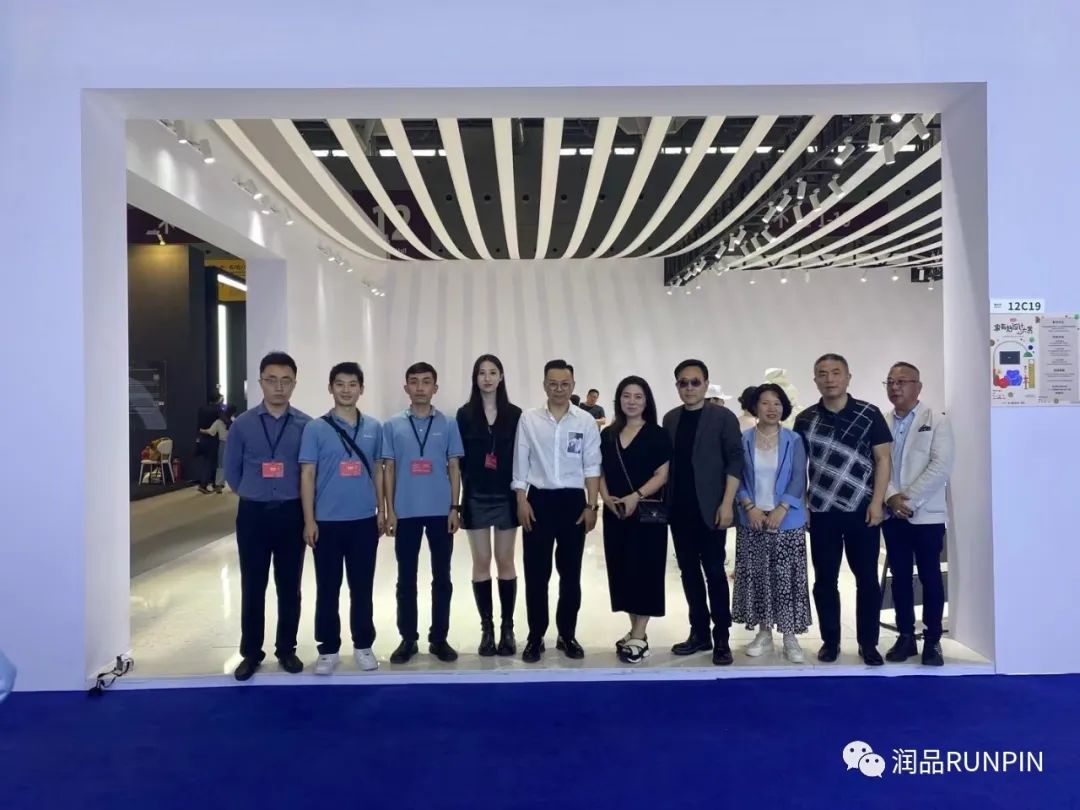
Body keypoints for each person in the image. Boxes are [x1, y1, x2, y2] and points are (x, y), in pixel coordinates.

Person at [794, 353, 892, 666]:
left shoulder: (869, 413)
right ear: (815, 380)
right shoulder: (805, 419)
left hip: (862, 511)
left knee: (867, 580)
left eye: (836, 372)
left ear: (848, 377)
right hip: (822, 512)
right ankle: (830, 641)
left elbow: (883, 459)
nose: (830, 379)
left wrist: (877, 502)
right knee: (825, 581)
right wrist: (803, 504)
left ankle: (868, 643)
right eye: (822, 373)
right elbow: (799, 466)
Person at [224, 351, 311, 681]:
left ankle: (286, 649)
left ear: (294, 384)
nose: (279, 387)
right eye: (272, 380)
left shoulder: (306, 425)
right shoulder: (243, 425)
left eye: (286, 381)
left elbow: (309, 472)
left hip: (291, 513)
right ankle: (251, 652)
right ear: (260, 382)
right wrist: (254, 490)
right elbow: (232, 471)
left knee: (289, 586)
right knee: (253, 585)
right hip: (254, 514)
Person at [512, 359, 602, 663]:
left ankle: (567, 634)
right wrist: (521, 500)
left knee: (571, 574)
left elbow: (592, 465)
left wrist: (592, 505)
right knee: (536, 575)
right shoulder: (529, 419)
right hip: (538, 502)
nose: (559, 389)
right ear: (544, 385)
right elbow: (520, 462)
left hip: (573, 503)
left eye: (565, 384)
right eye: (553, 383)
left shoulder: (585, 421)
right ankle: (535, 636)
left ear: (573, 386)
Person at [299, 362, 384, 675]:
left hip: (363, 521)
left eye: (352, 384)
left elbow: (379, 470)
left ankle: (363, 645)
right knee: (328, 588)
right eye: (340, 384)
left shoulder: (374, 427)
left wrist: (381, 510)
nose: (346, 390)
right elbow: (307, 474)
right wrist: (309, 520)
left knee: (362, 587)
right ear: (330, 388)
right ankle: (328, 649)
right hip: (327, 523)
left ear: (361, 389)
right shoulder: (316, 428)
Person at [381, 362, 464, 664]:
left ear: (435, 388)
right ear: (406, 388)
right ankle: (408, 638)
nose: (420, 387)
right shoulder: (392, 425)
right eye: (414, 382)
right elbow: (389, 469)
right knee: (406, 578)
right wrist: (390, 511)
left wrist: (454, 507)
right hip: (405, 512)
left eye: (426, 382)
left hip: (441, 511)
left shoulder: (448, 424)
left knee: (442, 577)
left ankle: (439, 638)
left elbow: (454, 466)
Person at [662, 359, 743, 666]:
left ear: (706, 384)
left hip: (711, 509)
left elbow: (735, 461)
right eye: (683, 383)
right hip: (679, 509)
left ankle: (722, 637)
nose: (689, 388)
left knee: (714, 572)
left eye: (695, 382)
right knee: (688, 572)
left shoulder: (723, 418)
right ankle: (699, 632)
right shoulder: (671, 419)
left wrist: (727, 503)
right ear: (677, 386)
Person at [881, 362, 954, 667]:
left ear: (918, 387)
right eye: (890, 382)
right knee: (899, 578)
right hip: (892, 514)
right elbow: (877, 464)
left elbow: (941, 466)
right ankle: (905, 637)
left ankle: (933, 640)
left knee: (930, 577)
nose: (895, 387)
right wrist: (890, 497)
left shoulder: (936, 420)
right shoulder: (881, 422)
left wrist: (907, 499)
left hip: (926, 516)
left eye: (902, 381)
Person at [732, 384, 812, 663]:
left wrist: (782, 508)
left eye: (777, 403)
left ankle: (790, 637)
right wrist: (749, 507)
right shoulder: (743, 439)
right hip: (752, 520)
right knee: (759, 578)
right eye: (765, 403)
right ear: (755, 406)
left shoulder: (794, 439)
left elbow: (799, 477)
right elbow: (736, 477)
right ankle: (764, 633)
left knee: (787, 579)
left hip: (787, 521)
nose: (771, 408)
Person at [598, 376, 672, 664]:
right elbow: (599, 471)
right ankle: (634, 629)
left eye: (638, 396)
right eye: (626, 396)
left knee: (646, 571)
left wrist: (635, 496)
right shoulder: (608, 434)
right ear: (619, 400)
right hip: (615, 513)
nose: (631, 401)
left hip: (646, 515)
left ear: (646, 401)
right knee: (623, 571)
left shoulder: (657, 434)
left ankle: (640, 634)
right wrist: (606, 497)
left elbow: (662, 474)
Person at [456, 354, 523, 657]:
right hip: (476, 494)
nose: (487, 378)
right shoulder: (464, 414)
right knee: (481, 560)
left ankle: (508, 628)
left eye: (492, 372)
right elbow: (458, 460)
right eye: (481, 372)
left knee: (505, 559)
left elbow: (521, 456)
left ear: (501, 377)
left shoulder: (515, 414)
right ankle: (487, 629)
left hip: (506, 494)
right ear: (475, 378)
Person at [201, 404, 237, 493]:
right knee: (233, 465)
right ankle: (234, 485)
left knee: (221, 465)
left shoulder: (218, 421)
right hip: (233, 444)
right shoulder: (234, 421)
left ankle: (219, 485)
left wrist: (201, 430)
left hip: (223, 444)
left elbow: (211, 432)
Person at [195, 392, 224, 493]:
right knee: (214, 462)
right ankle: (205, 485)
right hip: (214, 438)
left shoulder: (202, 409)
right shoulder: (218, 410)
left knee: (207, 461)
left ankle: (212, 483)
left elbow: (199, 425)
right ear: (218, 399)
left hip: (202, 438)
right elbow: (224, 422)